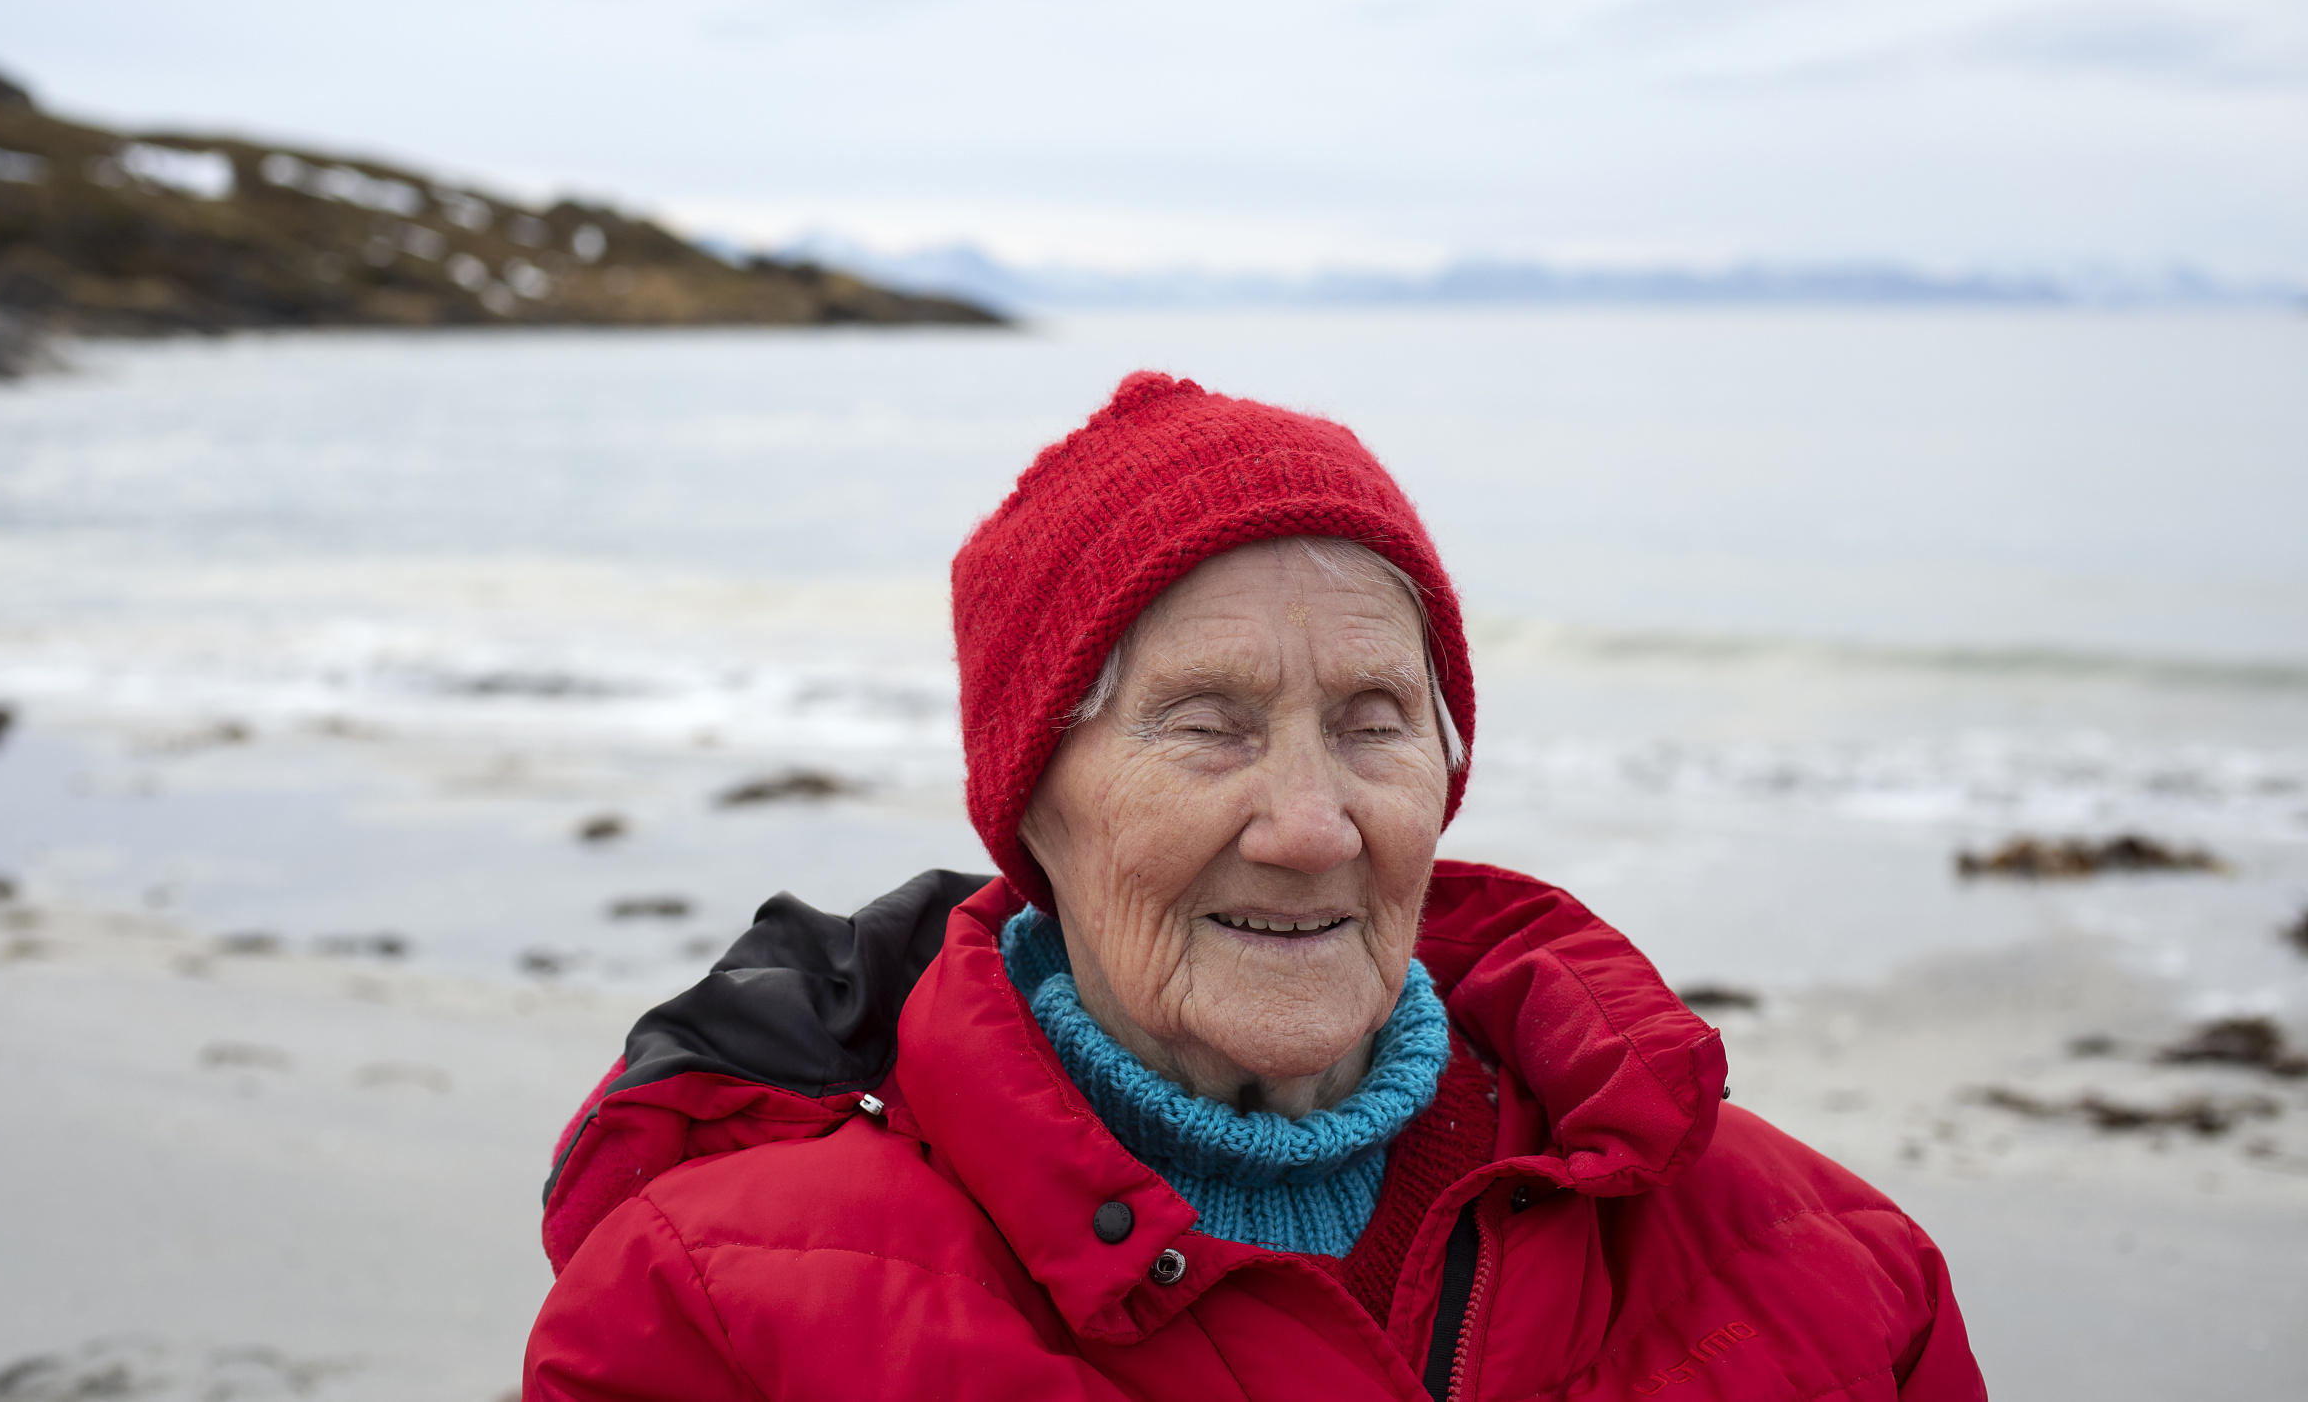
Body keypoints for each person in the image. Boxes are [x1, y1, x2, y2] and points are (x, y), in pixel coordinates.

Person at [524, 371, 1985, 1400]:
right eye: (1206, 726)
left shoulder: (1833, 1272)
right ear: (1033, 801)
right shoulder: (721, 1314)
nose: (1308, 825)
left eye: (1373, 725)